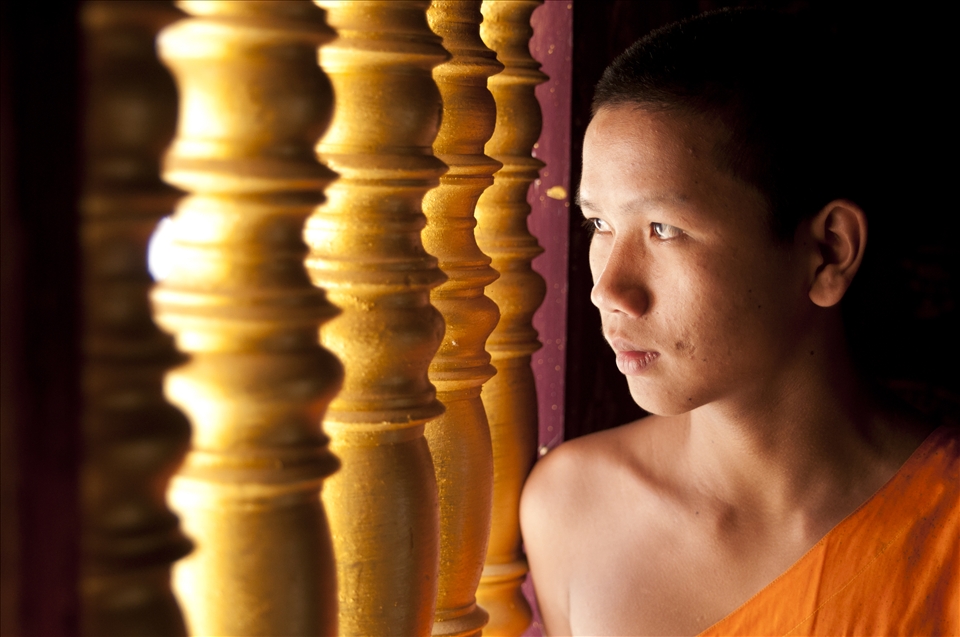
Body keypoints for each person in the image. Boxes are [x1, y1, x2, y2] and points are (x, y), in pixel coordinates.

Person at [519, 8, 959, 636]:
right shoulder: (571, 510)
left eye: (663, 229)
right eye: (600, 225)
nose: (609, 290)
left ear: (828, 252)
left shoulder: (945, 535)